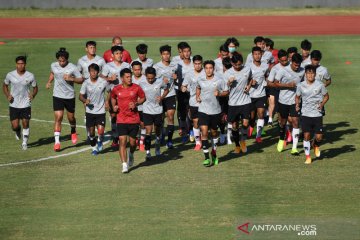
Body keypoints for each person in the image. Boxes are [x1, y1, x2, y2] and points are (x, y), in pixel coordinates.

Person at [46, 48, 83, 151]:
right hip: (57, 95)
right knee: (58, 117)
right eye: (60, 61)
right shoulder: (53, 65)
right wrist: (49, 81)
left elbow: (81, 79)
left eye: (63, 61)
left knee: (71, 118)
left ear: (67, 59)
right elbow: (53, 73)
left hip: (69, 96)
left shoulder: (73, 67)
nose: (61, 63)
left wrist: (72, 79)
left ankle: (73, 130)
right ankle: (57, 143)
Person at [111, 68, 146, 173]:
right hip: (121, 119)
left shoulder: (136, 88)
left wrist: (136, 104)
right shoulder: (116, 89)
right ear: (122, 78)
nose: (130, 78)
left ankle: (131, 154)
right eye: (127, 77)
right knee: (122, 141)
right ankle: (124, 165)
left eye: (130, 76)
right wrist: (114, 106)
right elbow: (112, 97)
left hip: (134, 119)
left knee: (132, 143)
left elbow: (143, 97)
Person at [196, 60, 229, 166]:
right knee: (204, 132)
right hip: (203, 110)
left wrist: (219, 93)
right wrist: (197, 96)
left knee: (214, 133)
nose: (208, 70)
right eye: (206, 68)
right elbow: (198, 87)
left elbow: (226, 91)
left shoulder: (220, 80)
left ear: (213, 69)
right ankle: (206, 158)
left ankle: (214, 152)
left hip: (215, 111)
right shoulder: (200, 79)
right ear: (204, 69)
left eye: (210, 68)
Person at [3, 56, 38, 150]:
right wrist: (8, 95)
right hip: (13, 104)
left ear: (25, 64)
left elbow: (35, 88)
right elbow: (5, 86)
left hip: (25, 103)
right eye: (18, 64)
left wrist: (32, 95)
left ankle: (24, 143)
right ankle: (17, 131)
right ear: (16, 64)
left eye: (22, 64)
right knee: (15, 126)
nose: (20, 65)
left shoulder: (30, 75)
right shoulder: (10, 75)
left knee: (25, 123)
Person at [295, 65, 329, 164]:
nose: (310, 75)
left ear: (315, 74)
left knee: (319, 137)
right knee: (306, 136)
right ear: (305, 74)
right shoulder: (300, 85)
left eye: (312, 73)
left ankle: (315, 145)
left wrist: (322, 104)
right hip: (305, 114)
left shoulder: (320, 85)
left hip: (317, 114)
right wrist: (297, 105)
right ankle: (308, 157)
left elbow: (326, 96)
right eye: (308, 73)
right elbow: (297, 97)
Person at [274, 53, 305, 155]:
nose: (297, 67)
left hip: (295, 101)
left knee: (296, 122)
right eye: (295, 65)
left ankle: (294, 148)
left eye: (298, 65)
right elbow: (275, 83)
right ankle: (281, 139)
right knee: (283, 123)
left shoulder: (302, 71)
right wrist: (287, 85)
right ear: (291, 62)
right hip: (283, 101)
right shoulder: (283, 70)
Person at [101, 45, 131, 148]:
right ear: (112, 55)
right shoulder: (108, 66)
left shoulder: (127, 65)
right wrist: (109, 78)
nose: (119, 55)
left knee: (126, 115)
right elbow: (102, 78)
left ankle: (125, 137)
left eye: (120, 53)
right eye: (117, 53)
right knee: (113, 115)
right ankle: (115, 137)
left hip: (125, 95)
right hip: (112, 95)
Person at [139, 67, 169, 161]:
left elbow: (167, 89)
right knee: (148, 131)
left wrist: (162, 97)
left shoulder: (160, 82)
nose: (150, 80)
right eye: (148, 78)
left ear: (155, 76)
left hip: (158, 110)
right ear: (146, 76)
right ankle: (148, 152)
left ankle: (157, 146)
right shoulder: (141, 83)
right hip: (147, 110)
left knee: (157, 131)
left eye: (152, 78)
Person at [224, 53, 252, 154]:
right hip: (233, 103)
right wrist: (228, 83)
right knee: (235, 125)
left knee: (245, 123)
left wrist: (249, 86)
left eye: (239, 64)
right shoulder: (227, 73)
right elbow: (224, 89)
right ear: (232, 63)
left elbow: (250, 79)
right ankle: (237, 146)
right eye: (235, 65)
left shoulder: (247, 69)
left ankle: (243, 141)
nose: (237, 66)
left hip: (245, 101)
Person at [79, 63, 109, 155]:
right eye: (92, 71)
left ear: (98, 72)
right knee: (91, 133)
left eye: (95, 71)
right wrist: (85, 100)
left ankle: (99, 141)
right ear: (89, 72)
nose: (93, 73)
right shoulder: (86, 83)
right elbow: (80, 96)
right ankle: (94, 148)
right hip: (90, 111)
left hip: (100, 110)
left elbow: (110, 92)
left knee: (100, 131)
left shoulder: (103, 82)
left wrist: (107, 102)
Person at [153, 45, 178, 148]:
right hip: (160, 95)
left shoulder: (175, 66)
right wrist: (161, 80)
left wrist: (176, 78)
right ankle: (161, 136)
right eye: (164, 54)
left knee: (171, 117)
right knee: (160, 119)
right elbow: (152, 81)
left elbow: (177, 80)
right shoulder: (156, 67)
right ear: (161, 55)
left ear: (170, 54)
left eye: (168, 54)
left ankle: (170, 141)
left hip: (171, 94)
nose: (166, 56)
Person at [181, 55, 204, 150]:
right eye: (196, 64)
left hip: (206, 102)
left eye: (199, 64)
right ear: (193, 64)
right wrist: (184, 88)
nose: (197, 66)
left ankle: (205, 139)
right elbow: (184, 85)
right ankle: (198, 142)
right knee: (195, 122)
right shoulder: (189, 74)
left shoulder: (206, 72)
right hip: (193, 102)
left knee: (204, 123)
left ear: (201, 63)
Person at [248, 47, 269, 143]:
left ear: (261, 55)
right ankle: (251, 126)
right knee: (252, 117)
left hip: (261, 94)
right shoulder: (247, 67)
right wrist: (250, 82)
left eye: (259, 54)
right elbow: (244, 80)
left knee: (261, 114)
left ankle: (258, 136)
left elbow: (267, 76)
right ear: (252, 55)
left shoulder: (265, 66)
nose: (257, 56)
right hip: (250, 96)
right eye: (255, 54)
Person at [175, 42, 193, 143]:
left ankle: (191, 130)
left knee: (192, 112)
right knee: (182, 112)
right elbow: (173, 76)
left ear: (190, 52)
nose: (186, 53)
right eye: (184, 51)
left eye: (188, 51)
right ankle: (185, 132)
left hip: (193, 91)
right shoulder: (178, 64)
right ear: (182, 52)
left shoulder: (194, 62)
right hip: (181, 91)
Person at [266, 49, 289, 126]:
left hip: (287, 91)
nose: (285, 62)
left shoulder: (291, 66)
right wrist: (278, 85)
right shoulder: (275, 68)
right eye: (282, 61)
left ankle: (282, 125)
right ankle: (270, 118)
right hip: (275, 89)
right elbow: (269, 82)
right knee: (272, 104)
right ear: (278, 60)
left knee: (281, 111)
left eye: (286, 60)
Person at [131, 61, 147, 151]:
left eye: (139, 69)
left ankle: (141, 142)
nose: (137, 71)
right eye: (135, 70)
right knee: (134, 125)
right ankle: (136, 139)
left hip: (144, 106)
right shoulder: (130, 79)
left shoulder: (146, 78)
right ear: (132, 70)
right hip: (133, 107)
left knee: (143, 124)